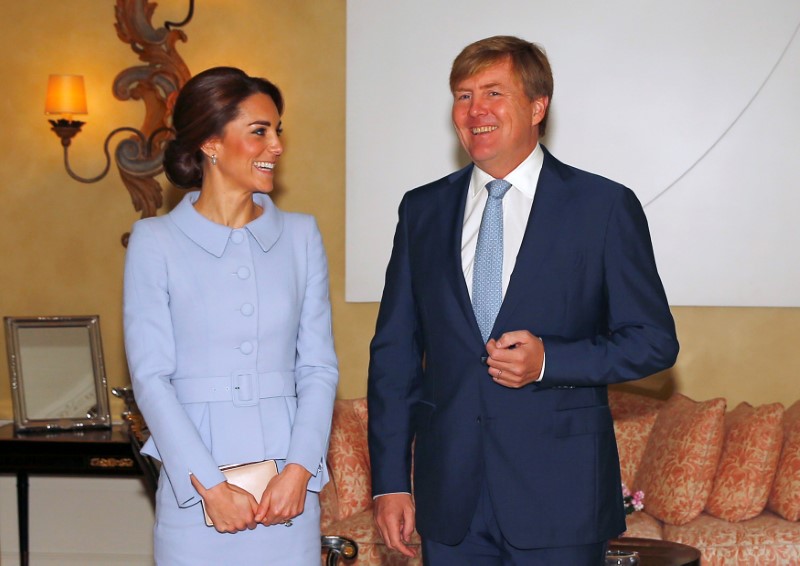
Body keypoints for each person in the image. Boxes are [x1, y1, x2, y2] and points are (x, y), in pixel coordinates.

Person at [368, 36, 679, 565]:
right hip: (449, 504)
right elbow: (394, 357)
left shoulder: (603, 207)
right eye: (463, 96)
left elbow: (653, 343)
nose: (475, 111)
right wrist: (390, 483)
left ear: (538, 107)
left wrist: (549, 361)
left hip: (561, 500)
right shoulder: (421, 210)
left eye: (493, 92)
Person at [123, 67, 338, 565]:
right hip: (195, 493)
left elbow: (318, 367)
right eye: (259, 131)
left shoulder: (303, 236)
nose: (277, 145)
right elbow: (152, 378)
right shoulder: (155, 243)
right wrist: (211, 487)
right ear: (211, 143)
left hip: (288, 495)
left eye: (277, 130)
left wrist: (300, 470)